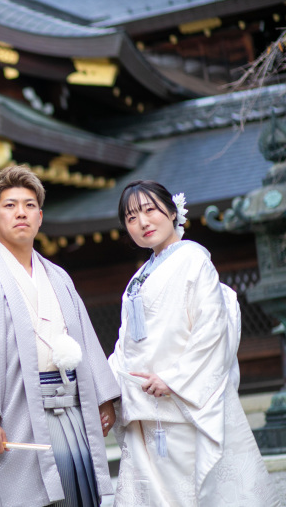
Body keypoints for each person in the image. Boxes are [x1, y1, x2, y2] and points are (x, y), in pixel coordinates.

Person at [0, 165, 120, 507]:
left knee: (79, 497)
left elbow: (84, 339)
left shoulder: (59, 277)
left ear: (40, 217)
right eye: (10, 205)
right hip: (13, 415)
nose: (20, 212)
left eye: (29, 205)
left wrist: (102, 397)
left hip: (70, 406)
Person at [108, 180, 279, 506]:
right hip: (145, 403)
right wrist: (108, 386)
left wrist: (174, 377)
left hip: (181, 398)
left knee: (193, 490)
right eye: (131, 218)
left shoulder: (193, 260)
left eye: (149, 210)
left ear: (172, 212)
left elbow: (211, 327)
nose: (142, 223)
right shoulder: (139, 277)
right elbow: (126, 342)